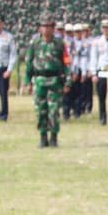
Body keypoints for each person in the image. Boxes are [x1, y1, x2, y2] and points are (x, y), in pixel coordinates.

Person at [27, 16, 68, 147]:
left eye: (49, 26)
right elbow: (29, 63)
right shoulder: (35, 43)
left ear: (53, 28)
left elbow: (66, 63)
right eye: (43, 26)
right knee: (40, 111)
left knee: (54, 111)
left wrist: (67, 82)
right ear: (40, 28)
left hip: (55, 81)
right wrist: (27, 81)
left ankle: (54, 137)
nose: (46, 29)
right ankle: (43, 137)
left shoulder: (60, 44)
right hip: (39, 81)